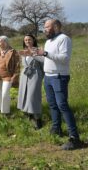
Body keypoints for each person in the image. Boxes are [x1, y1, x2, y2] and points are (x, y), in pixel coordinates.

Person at [36, 19, 82, 150]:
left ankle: (75, 138)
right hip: (48, 77)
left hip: (59, 76)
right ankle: (56, 129)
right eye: (44, 27)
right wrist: (35, 54)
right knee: (52, 105)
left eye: (47, 27)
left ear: (55, 27)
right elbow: (46, 58)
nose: (44, 29)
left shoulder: (64, 39)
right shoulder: (48, 41)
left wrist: (45, 53)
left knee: (62, 105)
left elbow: (64, 58)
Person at [17, 34, 44, 129]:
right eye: (25, 40)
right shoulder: (24, 51)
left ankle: (38, 119)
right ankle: (29, 114)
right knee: (25, 94)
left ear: (33, 40)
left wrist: (41, 76)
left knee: (33, 96)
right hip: (25, 75)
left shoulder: (37, 50)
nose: (27, 41)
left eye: (29, 39)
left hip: (35, 74)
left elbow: (43, 63)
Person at [0, 36, 20, 115]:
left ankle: (5, 112)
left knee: (5, 94)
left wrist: (15, 76)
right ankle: (1, 109)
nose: (0, 43)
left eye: (2, 41)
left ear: (6, 42)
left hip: (8, 77)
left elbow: (17, 66)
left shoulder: (13, 52)